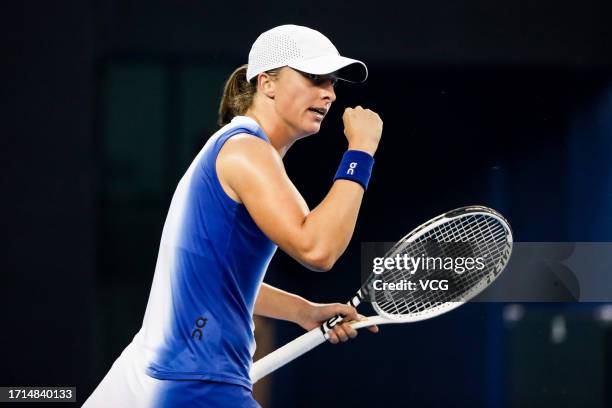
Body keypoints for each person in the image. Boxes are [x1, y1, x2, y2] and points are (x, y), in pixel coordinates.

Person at [83, 24, 383, 407]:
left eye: (331, 82)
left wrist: (302, 311)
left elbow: (216, 276)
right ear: (266, 83)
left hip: (151, 374)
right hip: (193, 379)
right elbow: (318, 249)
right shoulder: (246, 151)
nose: (328, 92)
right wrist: (361, 151)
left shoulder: (241, 151)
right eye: (312, 77)